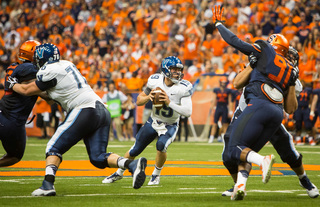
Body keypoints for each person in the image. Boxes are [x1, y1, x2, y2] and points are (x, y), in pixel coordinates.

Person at [9, 43, 147, 196]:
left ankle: (47, 185)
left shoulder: (48, 70)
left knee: (53, 147)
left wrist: (12, 84)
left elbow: (27, 90)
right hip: (101, 109)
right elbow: (51, 96)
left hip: (84, 109)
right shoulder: (67, 64)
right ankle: (132, 164)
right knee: (97, 158)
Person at [212, 6, 299, 200]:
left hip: (257, 107)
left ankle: (263, 162)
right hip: (276, 114)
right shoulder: (288, 71)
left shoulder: (264, 53)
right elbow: (290, 108)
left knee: (235, 148)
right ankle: (239, 186)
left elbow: (235, 42)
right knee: (241, 150)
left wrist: (218, 24)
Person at [222, 51, 319, 200]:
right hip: (246, 113)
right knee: (231, 155)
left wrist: (291, 83)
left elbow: (291, 109)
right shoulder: (259, 65)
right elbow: (236, 83)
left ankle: (304, 178)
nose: (287, 60)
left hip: (271, 117)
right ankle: (239, 185)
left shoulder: (289, 77)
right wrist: (250, 67)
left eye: (290, 57)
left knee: (289, 153)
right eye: (285, 55)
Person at [102, 56, 192, 185]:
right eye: (174, 69)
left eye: (179, 70)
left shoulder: (183, 87)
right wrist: (149, 97)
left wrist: (168, 102)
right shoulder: (155, 81)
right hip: (153, 121)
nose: (177, 72)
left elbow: (188, 112)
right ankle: (118, 172)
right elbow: (139, 100)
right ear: (166, 70)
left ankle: (156, 175)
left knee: (161, 145)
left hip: (170, 124)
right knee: (135, 150)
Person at [0, 40, 41, 167]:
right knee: (15, 156)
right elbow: (41, 86)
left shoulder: (14, 66)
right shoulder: (29, 68)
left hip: (2, 112)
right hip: (12, 120)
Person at [208, 76, 233, 143]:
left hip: (225, 107)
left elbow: (230, 101)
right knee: (215, 123)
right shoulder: (216, 90)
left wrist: (230, 111)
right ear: (220, 82)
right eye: (222, 82)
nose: (223, 84)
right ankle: (211, 137)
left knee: (225, 124)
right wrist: (212, 108)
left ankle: (224, 138)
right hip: (218, 107)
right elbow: (214, 99)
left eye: (224, 82)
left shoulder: (228, 91)